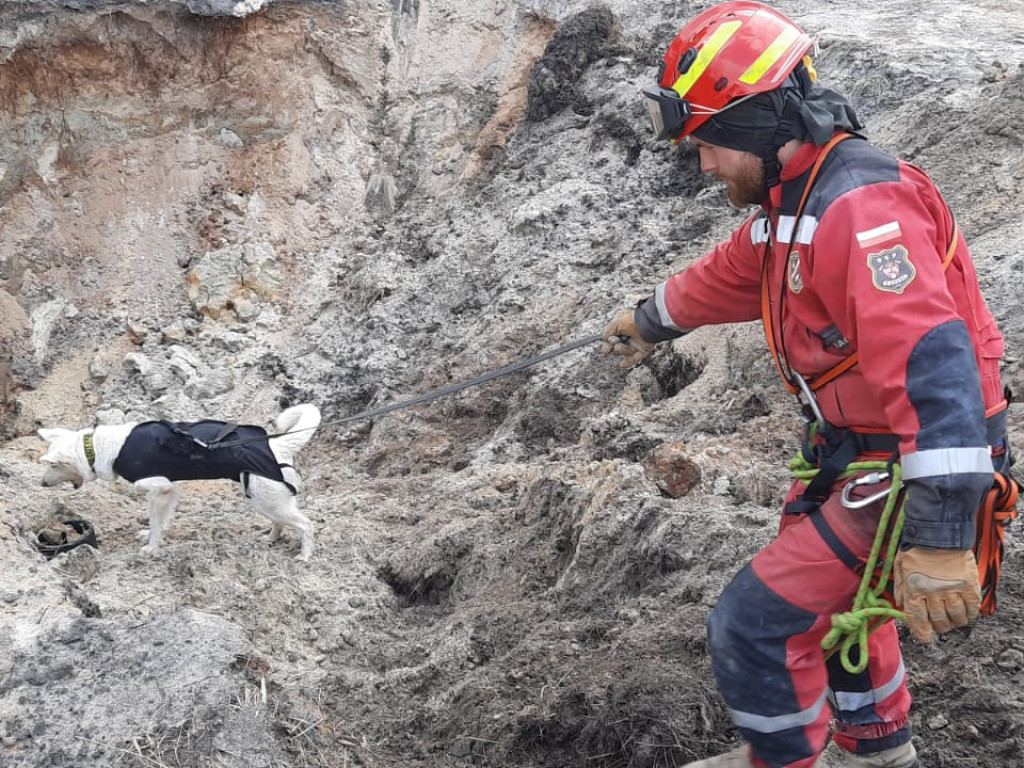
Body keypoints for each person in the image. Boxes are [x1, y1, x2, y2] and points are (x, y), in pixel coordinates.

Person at [601, 2, 1014, 767]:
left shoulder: (859, 208)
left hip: (912, 466)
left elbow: (931, 363)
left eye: (712, 143)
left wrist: (945, 534)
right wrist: (651, 320)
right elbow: (741, 269)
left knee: (755, 623)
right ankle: (876, 752)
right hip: (859, 454)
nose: (705, 164)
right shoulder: (798, 196)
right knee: (836, 617)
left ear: (759, 123)